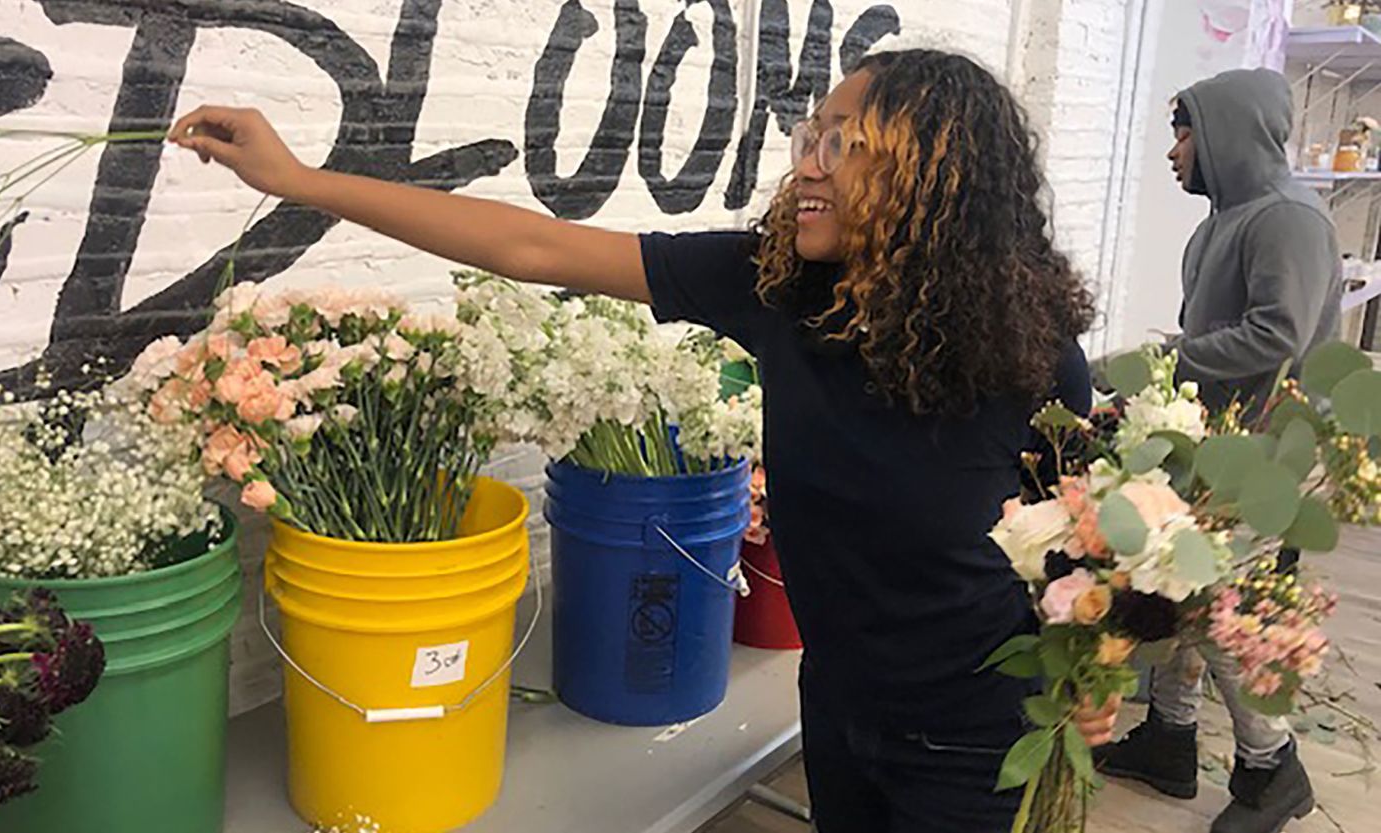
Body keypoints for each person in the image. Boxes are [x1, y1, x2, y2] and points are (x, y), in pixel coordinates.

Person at [170, 49, 1117, 833]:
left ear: (935, 177)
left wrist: (1103, 668)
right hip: (837, 710)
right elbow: (533, 247)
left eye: (844, 142)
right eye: (809, 137)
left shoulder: (1030, 361)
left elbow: (1086, 559)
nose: (811, 164)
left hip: (978, 748)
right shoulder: (781, 291)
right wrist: (297, 181)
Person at [1096, 68, 1342, 833]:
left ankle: (1274, 766)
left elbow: (1279, 333)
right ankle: (1170, 736)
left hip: (1265, 452)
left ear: (1225, 134)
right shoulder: (1222, 222)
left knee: (1215, 603)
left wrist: (1160, 361)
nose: (1174, 152)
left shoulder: (1289, 220)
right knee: (1181, 587)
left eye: (1183, 132)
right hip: (1217, 442)